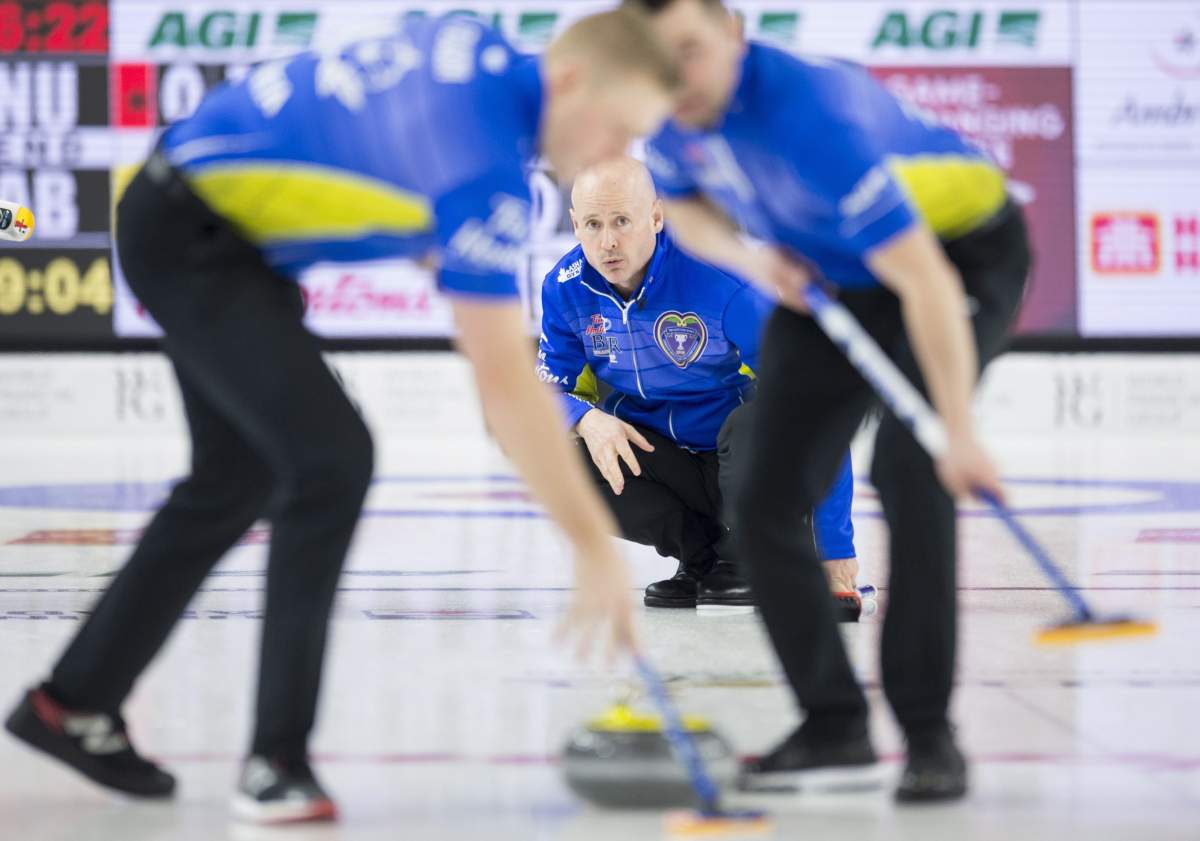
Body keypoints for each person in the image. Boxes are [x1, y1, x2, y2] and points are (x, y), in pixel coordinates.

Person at [4, 10, 680, 824]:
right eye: (616, 127)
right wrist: (587, 545)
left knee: (234, 476)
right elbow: (505, 380)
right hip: (194, 234)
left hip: (205, 223)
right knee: (331, 459)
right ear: (569, 81)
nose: (611, 154)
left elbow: (383, 119)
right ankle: (275, 760)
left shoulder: (479, 48)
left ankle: (72, 700)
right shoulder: (485, 168)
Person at [628, 0, 1031, 802]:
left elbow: (922, 280)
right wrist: (756, 258)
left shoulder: (815, 119)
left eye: (692, 52)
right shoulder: (671, 117)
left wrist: (957, 431)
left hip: (954, 253)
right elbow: (693, 209)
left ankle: (928, 734)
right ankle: (831, 723)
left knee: (913, 471)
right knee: (766, 491)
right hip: (831, 266)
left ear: (736, 33)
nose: (678, 78)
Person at [538, 156, 865, 618]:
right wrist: (586, 418)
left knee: (762, 416)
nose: (607, 241)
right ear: (573, 224)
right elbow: (543, 394)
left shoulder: (721, 278)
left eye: (622, 222)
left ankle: (752, 553)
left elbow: (815, 404)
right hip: (666, 463)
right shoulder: (564, 288)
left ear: (656, 215)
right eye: (592, 224)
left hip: (744, 464)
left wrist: (835, 548)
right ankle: (706, 559)